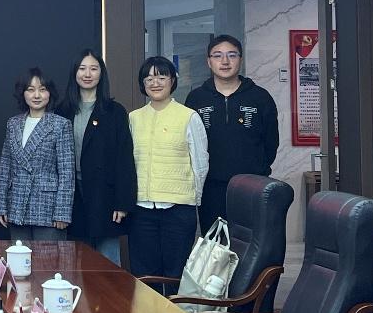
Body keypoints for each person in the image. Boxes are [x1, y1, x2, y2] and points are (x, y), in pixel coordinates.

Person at [185, 34, 280, 234]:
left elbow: (271, 142)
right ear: (208, 61)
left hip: (251, 186)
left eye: (232, 55)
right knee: (214, 244)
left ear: (240, 59)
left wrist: (258, 168)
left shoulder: (260, 97)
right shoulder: (196, 98)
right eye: (217, 55)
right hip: (210, 187)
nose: (225, 61)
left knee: (250, 241)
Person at [126, 56, 208, 281]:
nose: (155, 83)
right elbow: (127, 163)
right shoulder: (134, 118)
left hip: (178, 209)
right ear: (142, 83)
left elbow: (200, 163)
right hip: (141, 209)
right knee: (144, 276)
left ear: (172, 80)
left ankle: (174, 307)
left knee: (176, 275)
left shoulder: (188, 116)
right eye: (149, 78)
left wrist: (194, 199)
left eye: (161, 77)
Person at [58, 49, 135, 264]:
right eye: (82, 68)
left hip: (105, 194)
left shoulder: (114, 111)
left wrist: (122, 202)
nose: (87, 74)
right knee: (75, 262)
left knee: (107, 263)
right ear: (74, 73)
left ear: (101, 74)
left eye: (93, 68)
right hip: (73, 194)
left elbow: (124, 160)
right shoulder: (62, 111)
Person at [0, 68, 74, 242]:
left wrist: (62, 212)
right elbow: (5, 167)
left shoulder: (61, 125)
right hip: (17, 205)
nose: (37, 95)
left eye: (42, 89)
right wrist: (1, 205)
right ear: (23, 93)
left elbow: (67, 172)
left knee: (48, 259)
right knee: (19, 257)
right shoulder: (13, 124)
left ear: (50, 93)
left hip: (48, 209)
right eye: (30, 90)